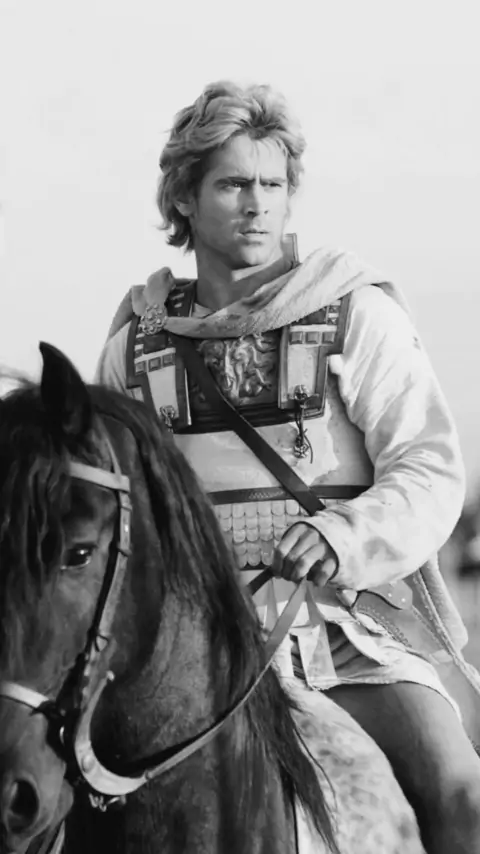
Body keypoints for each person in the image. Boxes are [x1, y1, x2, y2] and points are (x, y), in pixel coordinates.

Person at [96, 80, 480, 852]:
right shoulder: (134, 347)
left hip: (346, 630)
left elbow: (430, 465)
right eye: (234, 184)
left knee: (463, 796)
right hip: (189, 647)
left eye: (272, 185)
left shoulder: (355, 312)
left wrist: (344, 535)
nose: (257, 205)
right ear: (184, 197)